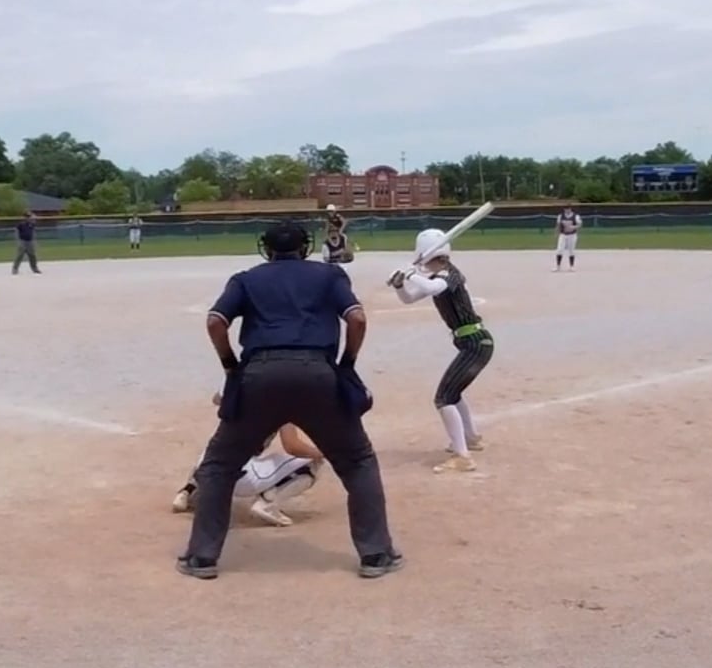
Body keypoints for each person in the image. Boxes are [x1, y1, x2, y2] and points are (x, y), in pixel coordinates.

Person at [180, 220, 402, 580]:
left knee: (218, 467)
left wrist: (230, 366)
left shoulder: (246, 279)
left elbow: (215, 322)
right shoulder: (329, 275)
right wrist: (347, 363)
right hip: (318, 374)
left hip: (259, 375)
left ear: (266, 249)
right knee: (357, 461)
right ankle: (376, 554)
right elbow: (357, 319)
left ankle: (202, 557)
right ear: (305, 247)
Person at [390, 228, 494, 472]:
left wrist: (411, 274)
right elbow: (409, 298)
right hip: (471, 343)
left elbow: (434, 288)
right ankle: (471, 437)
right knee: (453, 393)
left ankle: (462, 456)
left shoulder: (449, 274)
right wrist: (400, 285)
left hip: (476, 342)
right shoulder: (438, 276)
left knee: (444, 398)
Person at [171, 396, 325, 527]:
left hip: (208, 471)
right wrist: (324, 453)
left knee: (214, 448)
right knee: (312, 463)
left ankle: (188, 492)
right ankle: (267, 504)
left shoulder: (243, 384)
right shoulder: (282, 402)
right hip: (240, 476)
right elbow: (292, 446)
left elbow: (217, 398)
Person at [554, 203, 581, 271]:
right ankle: (558, 266)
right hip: (563, 235)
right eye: (565, 209)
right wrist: (556, 232)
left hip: (572, 235)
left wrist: (573, 227)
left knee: (571, 250)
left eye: (568, 209)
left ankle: (571, 266)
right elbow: (558, 225)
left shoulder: (575, 216)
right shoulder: (560, 216)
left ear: (570, 209)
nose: (567, 210)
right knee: (559, 250)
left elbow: (579, 224)